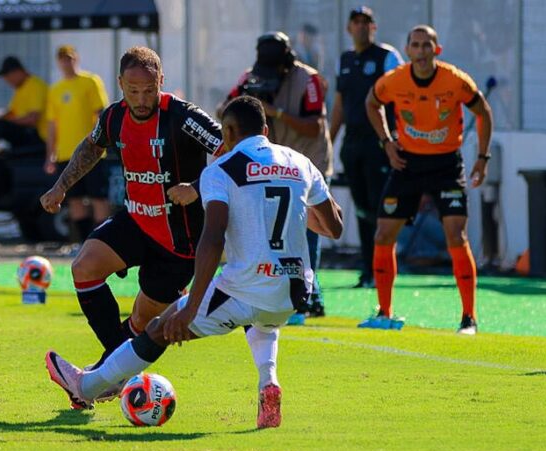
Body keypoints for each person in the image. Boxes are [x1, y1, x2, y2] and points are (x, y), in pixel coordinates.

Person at [43, 96, 344, 428]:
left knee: (159, 330)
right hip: (294, 293)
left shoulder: (221, 171)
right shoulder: (300, 162)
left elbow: (212, 238)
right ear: (266, 129)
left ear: (228, 132)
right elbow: (334, 227)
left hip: (245, 288)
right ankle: (268, 382)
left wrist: (191, 306)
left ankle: (87, 386)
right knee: (265, 319)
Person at [40, 46, 224, 408]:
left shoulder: (184, 117)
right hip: (137, 220)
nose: (141, 99)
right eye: (133, 90)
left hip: (180, 242)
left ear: (161, 82)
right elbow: (91, 147)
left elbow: (232, 150)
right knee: (84, 267)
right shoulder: (113, 117)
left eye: (149, 90)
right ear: (121, 84)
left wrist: (197, 187)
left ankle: (100, 378)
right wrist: (60, 186)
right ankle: (109, 371)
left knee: (142, 319)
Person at [361, 25, 493, 334]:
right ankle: (384, 312)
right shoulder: (395, 80)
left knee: (456, 236)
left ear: (437, 49)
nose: (421, 51)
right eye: (415, 45)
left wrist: (483, 159)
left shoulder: (455, 80)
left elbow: (484, 111)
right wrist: (387, 142)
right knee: (382, 235)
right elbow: (371, 103)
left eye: (426, 45)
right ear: (407, 51)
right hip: (407, 163)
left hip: (446, 164)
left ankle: (468, 318)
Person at [223, 31, 333, 323]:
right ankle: (275, 292)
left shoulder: (308, 79)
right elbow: (225, 111)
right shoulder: (250, 76)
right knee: (271, 231)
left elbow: (314, 127)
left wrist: (276, 112)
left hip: (307, 162)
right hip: (271, 165)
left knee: (308, 230)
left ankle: (308, 292)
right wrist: (248, 99)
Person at [330, 6, 403, 288]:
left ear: (374, 27)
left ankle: (383, 268)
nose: (361, 27)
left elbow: (399, 98)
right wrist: (329, 141)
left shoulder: (387, 57)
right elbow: (339, 105)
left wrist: (394, 139)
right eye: (356, 22)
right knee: (361, 208)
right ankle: (368, 268)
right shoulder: (344, 60)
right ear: (349, 28)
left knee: (380, 207)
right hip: (353, 145)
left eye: (366, 22)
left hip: (379, 145)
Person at [45, 45, 111, 242]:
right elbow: (52, 124)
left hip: (92, 152)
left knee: (98, 198)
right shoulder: (55, 90)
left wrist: (99, 141)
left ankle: (105, 241)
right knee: (74, 199)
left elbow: (101, 113)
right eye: (63, 59)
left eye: (70, 58)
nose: (67, 63)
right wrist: (49, 155)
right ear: (58, 62)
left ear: (76, 59)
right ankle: (83, 243)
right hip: (66, 153)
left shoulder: (90, 81)